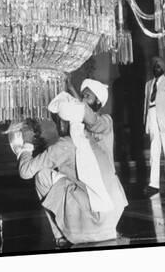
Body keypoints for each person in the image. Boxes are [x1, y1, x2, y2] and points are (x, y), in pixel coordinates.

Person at [8, 93, 127, 247]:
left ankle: (61, 236)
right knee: (65, 175)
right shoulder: (92, 140)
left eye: (57, 121)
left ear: (64, 124)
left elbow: (25, 172)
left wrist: (27, 144)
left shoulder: (65, 144)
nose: (56, 126)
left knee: (42, 175)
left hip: (92, 227)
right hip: (110, 223)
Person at [143, 56, 165, 196]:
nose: (155, 68)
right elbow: (146, 105)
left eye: (158, 66)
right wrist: (147, 123)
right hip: (152, 118)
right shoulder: (148, 84)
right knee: (154, 152)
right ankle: (154, 184)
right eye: (154, 66)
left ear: (162, 69)